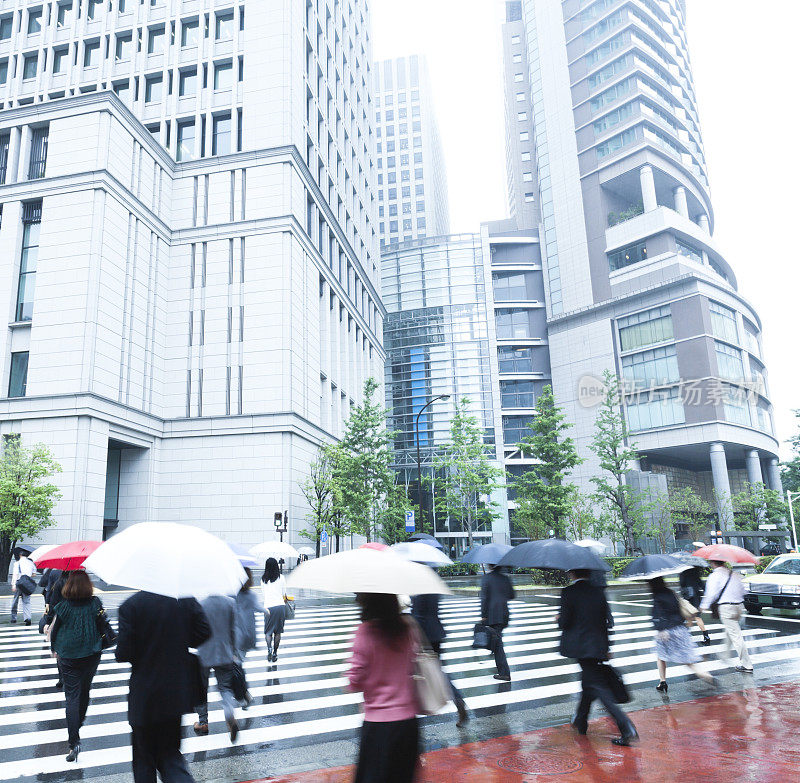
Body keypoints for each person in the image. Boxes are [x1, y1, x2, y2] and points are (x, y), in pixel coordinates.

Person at [116, 591, 211, 783]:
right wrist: (181, 637)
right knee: (170, 756)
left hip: (144, 695)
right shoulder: (184, 601)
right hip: (175, 693)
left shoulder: (131, 606)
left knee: (144, 760)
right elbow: (204, 632)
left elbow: (123, 653)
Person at [559, 569, 638, 747]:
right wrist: (607, 647)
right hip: (597, 645)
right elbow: (605, 620)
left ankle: (626, 727)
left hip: (580, 647)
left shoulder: (568, 592)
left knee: (596, 686)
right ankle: (581, 719)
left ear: (572, 573)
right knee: (589, 683)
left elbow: (564, 622)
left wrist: (558, 617)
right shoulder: (598, 592)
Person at [347, 593, 420, 783]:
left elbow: (355, 680)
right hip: (408, 724)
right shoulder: (407, 627)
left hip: (379, 727)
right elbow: (412, 662)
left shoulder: (365, 631)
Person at [48, 571, 104, 762]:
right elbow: (102, 624)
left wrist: (53, 648)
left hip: (67, 654)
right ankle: (77, 726)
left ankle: (74, 742)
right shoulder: (95, 604)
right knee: (85, 690)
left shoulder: (62, 606)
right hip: (91, 652)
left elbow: (55, 631)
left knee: (71, 695)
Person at [410, 591, 468, 726]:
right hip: (435, 631)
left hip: (425, 635)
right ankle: (458, 700)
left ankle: (419, 707)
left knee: (426, 671)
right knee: (438, 670)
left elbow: (419, 614)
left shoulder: (420, 588)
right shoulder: (431, 585)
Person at [648, 576, 715, 692]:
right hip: (681, 629)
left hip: (667, 632)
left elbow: (657, 615)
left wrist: (660, 629)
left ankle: (663, 681)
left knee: (661, 656)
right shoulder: (671, 593)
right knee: (687, 661)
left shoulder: (657, 596)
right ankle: (706, 676)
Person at [193, 594, 240, 741]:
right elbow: (233, 630)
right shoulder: (230, 602)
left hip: (204, 652)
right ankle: (229, 714)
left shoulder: (200, 603)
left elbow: (195, 630)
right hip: (224, 652)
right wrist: (234, 651)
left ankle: (203, 723)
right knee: (225, 688)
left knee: (201, 688)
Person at [700, 560, 753, 673]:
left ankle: (746, 664)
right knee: (731, 631)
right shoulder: (735, 574)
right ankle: (724, 654)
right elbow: (744, 591)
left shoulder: (714, 576)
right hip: (738, 606)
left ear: (713, 563)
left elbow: (711, 594)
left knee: (736, 635)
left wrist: (703, 606)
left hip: (726, 608)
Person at [234, 568, 268, 706]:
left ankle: (245, 694)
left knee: (237, 666)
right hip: (249, 636)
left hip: (238, 636)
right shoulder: (251, 595)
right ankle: (245, 694)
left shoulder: (234, 596)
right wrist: (267, 611)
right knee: (238, 664)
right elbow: (260, 608)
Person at [480, 563, 515, 681]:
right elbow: (512, 595)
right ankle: (499, 662)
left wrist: (483, 615)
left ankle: (504, 672)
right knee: (497, 639)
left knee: (498, 645)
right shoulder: (505, 578)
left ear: (490, 565)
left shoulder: (487, 578)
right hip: (504, 614)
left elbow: (484, 599)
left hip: (493, 615)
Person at [261, 558, 287, 662]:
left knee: (268, 632)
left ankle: (269, 649)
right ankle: (275, 652)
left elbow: (264, 594)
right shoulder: (281, 577)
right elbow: (284, 593)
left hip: (268, 607)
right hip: (280, 606)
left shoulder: (263, 579)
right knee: (278, 632)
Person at [679, 566, 711, 645]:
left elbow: (682, 583)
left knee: (688, 616)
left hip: (688, 597)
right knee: (697, 617)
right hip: (696, 597)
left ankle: (685, 636)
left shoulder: (683, 571)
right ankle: (706, 636)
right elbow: (701, 583)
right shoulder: (696, 571)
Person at [10, 548, 35, 625]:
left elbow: (15, 574)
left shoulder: (17, 563)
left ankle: (13, 618)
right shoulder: (31, 563)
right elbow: (34, 574)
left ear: (20, 555)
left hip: (18, 583)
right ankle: (28, 618)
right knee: (26, 601)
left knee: (15, 601)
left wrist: (13, 584)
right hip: (27, 584)